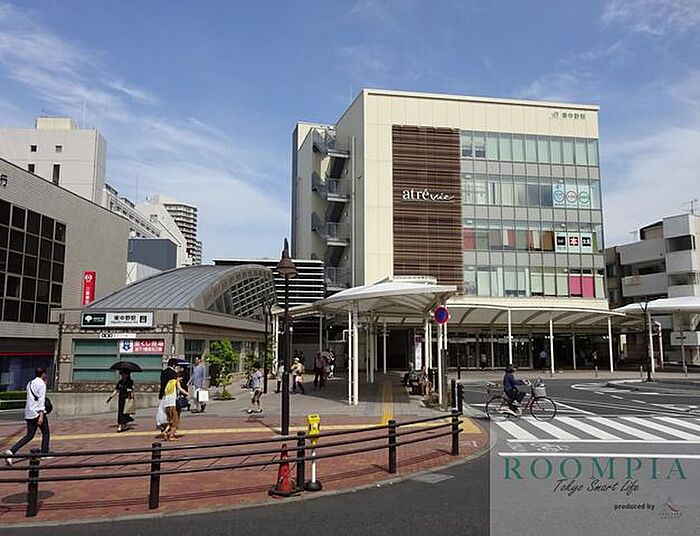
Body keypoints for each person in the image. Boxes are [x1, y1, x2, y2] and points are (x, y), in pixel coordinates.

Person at [4, 368, 51, 465]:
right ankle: (44, 453)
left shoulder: (29, 383)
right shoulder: (41, 384)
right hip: (37, 413)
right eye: (45, 374)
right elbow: (41, 400)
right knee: (46, 433)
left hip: (29, 412)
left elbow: (33, 398)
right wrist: (41, 416)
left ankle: (11, 451)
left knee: (29, 435)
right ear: (43, 374)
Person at [162, 371, 188, 441]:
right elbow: (180, 389)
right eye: (181, 378)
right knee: (175, 422)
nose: (181, 380)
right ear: (178, 377)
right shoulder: (176, 382)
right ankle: (171, 436)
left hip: (167, 404)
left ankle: (165, 432)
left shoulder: (169, 383)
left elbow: (165, 392)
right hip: (173, 405)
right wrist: (187, 393)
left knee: (170, 421)